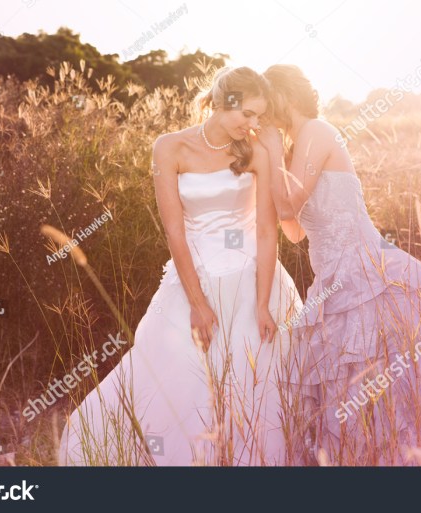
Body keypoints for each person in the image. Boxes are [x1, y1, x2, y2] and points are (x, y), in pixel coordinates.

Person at [58, 67, 302, 466]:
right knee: (178, 384)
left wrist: (262, 303)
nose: (254, 124)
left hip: (252, 279)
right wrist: (197, 302)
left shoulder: (255, 151)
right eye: (249, 114)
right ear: (227, 102)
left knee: (256, 386)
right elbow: (174, 233)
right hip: (194, 278)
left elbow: (265, 231)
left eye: (261, 117)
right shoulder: (169, 147)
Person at [258, 64, 421, 465]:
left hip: (363, 271)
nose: (263, 114)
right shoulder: (293, 146)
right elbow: (295, 232)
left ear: (282, 96)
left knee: (382, 378)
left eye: (267, 102)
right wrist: (274, 160)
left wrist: (269, 152)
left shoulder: (317, 131)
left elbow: (288, 205)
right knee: (347, 384)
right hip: (331, 277)